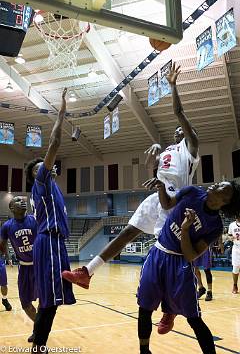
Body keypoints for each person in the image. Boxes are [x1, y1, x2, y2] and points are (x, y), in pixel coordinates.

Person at [62, 62, 199, 291]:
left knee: (167, 249)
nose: (179, 129)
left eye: (183, 129)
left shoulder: (191, 150)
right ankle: (87, 271)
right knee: (128, 231)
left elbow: (179, 113)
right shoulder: (168, 151)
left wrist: (173, 86)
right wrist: (151, 157)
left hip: (175, 202)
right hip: (157, 196)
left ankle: (177, 298)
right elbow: (150, 170)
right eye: (176, 129)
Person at [137, 178, 240, 354]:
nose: (217, 184)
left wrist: (185, 230)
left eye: (223, 187)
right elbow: (167, 204)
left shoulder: (215, 226)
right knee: (145, 307)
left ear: (226, 201)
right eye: (220, 182)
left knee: (193, 318)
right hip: (158, 253)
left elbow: (191, 255)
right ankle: (144, 351)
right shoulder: (192, 191)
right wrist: (161, 188)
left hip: (180, 264)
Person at [25, 88, 76, 354]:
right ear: (37, 175)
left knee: (49, 295)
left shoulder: (52, 188)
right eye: (39, 168)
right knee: (52, 300)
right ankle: (41, 344)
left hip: (50, 243)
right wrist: (62, 112)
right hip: (51, 242)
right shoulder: (42, 183)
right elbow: (54, 143)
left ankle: (36, 335)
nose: (45, 167)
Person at [0, 196, 37, 342]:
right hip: (24, 267)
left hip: (41, 265)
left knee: (46, 302)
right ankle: (39, 327)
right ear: (11, 207)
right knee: (25, 303)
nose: (22, 201)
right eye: (17, 200)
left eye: (23, 200)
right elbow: (2, 247)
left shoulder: (35, 219)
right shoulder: (7, 226)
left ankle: (40, 331)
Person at [228, 216, 240, 294]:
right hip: (236, 248)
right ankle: (235, 285)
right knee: (235, 269)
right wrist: (230, 238)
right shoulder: (232, 225)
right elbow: (229, 235)